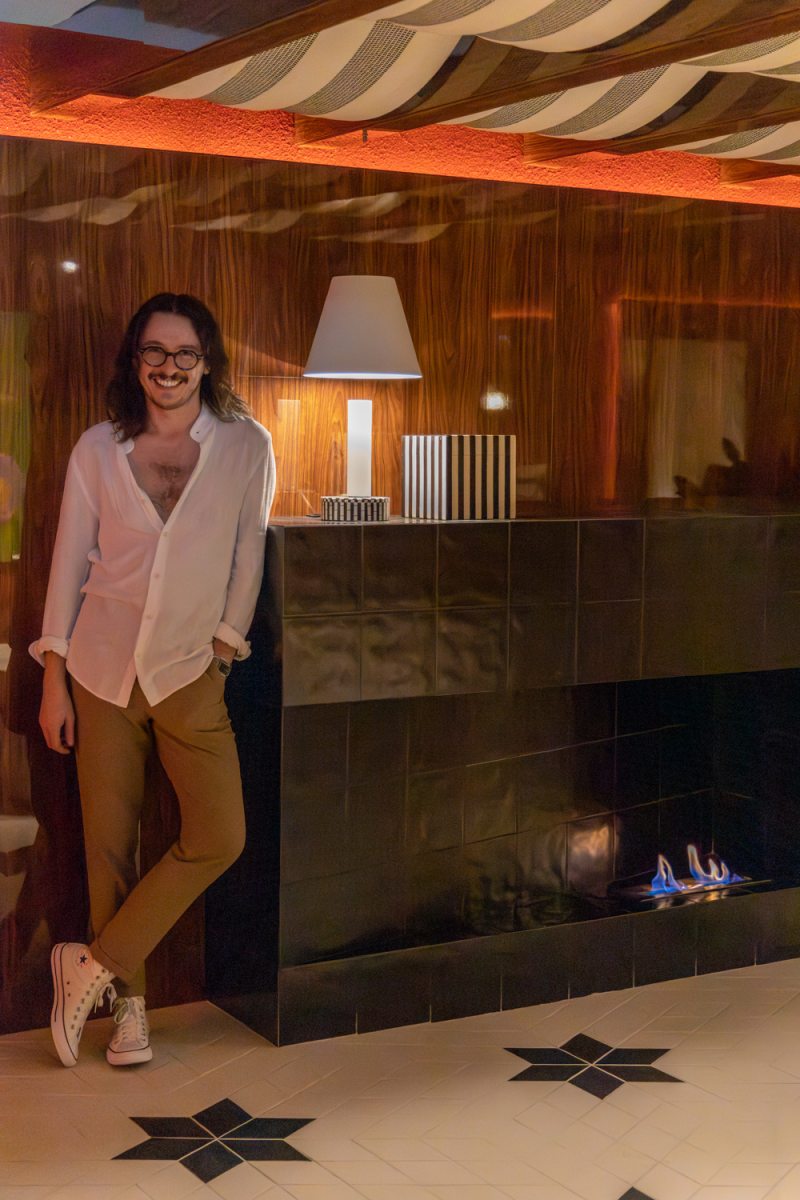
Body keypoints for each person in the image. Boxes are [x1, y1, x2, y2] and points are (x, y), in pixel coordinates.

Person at [30, 293, 276, 1068]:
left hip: (191, 671)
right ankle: (127, 1012)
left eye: (185, 354)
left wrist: (225, 651)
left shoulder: (246, 444)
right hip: (100, 670)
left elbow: (248, 553)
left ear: (206, 362)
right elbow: (69, 562)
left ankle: (91, 964)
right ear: (135, 360)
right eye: (155, 352)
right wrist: (53, 679)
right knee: (109, 846)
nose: (169, 367)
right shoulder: (98, 449)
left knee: (219, 835)